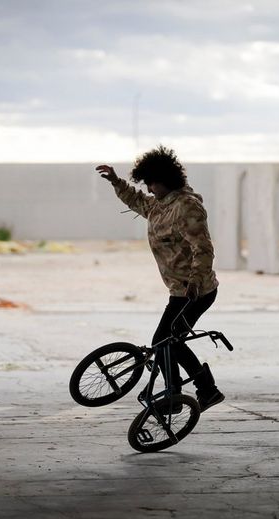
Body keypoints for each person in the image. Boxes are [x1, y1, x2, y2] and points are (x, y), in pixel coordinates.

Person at [95, 145, 225, 412]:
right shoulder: (160, 205)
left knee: (165, 341)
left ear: (165, 180)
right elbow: (137, 200)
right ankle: (190, 392)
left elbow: (204, 248)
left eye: (151, 183)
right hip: (179, 290)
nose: (149, 189)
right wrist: (116, 181)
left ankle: (193, 393)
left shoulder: (187, 207)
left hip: (196, 291)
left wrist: (195, 282)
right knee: (167, 342)